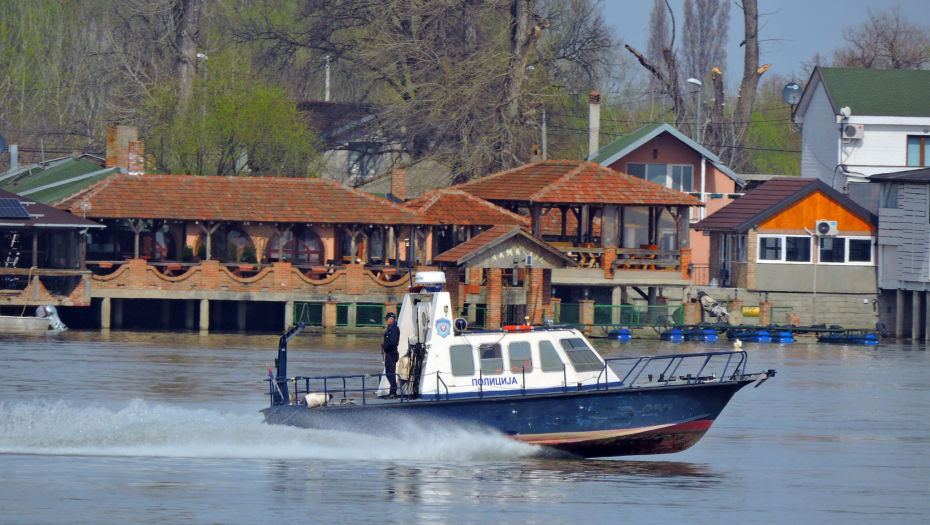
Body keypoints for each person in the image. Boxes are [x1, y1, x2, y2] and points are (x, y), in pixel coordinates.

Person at [381, 312, 401, 399]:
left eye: (386, 319)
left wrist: (385, 348)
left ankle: (393, 392)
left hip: (391, 354)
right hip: (389, 353)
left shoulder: (394, 329)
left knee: (391, 373)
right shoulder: (391, 328)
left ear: (391, 319)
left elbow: (393, 342)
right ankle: (392, 391)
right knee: (388, 373)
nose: (385, 321)